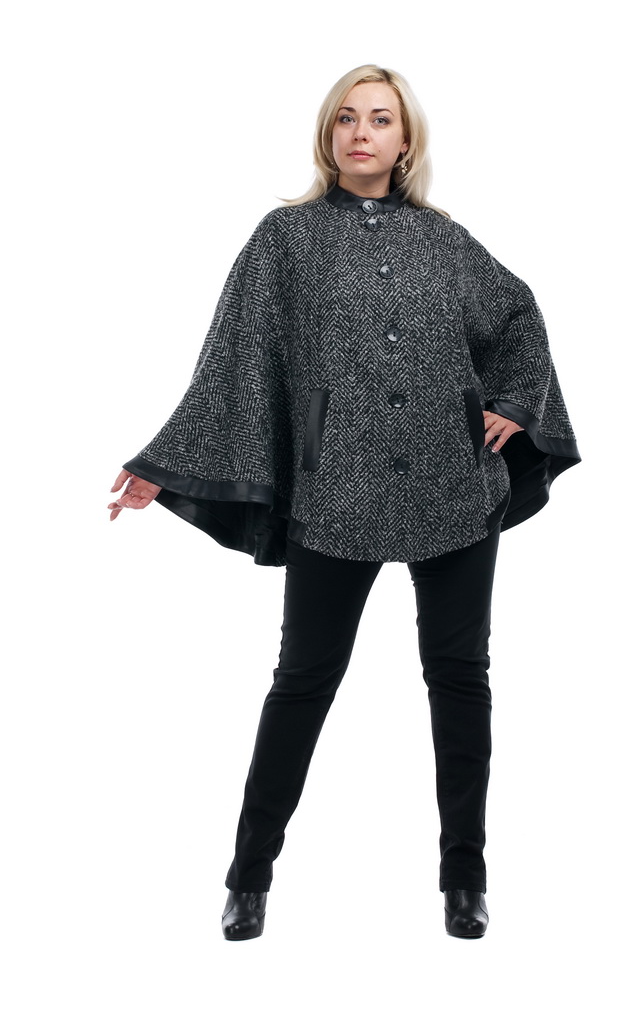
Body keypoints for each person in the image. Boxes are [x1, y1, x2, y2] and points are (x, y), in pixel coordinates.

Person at [108, 64, 581, 941]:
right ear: (329, 136)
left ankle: (465, 879)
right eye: (347, 119)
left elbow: (519, 318)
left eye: (381, 119)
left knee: (460, 679)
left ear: (406, 140)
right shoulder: (285, 240)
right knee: (302, 681)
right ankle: (249, 878)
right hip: (336, 491)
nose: (363, 133)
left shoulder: (445, 241)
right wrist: (166, 465)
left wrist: (516, 403)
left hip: (452, 482)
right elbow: (233, 357)